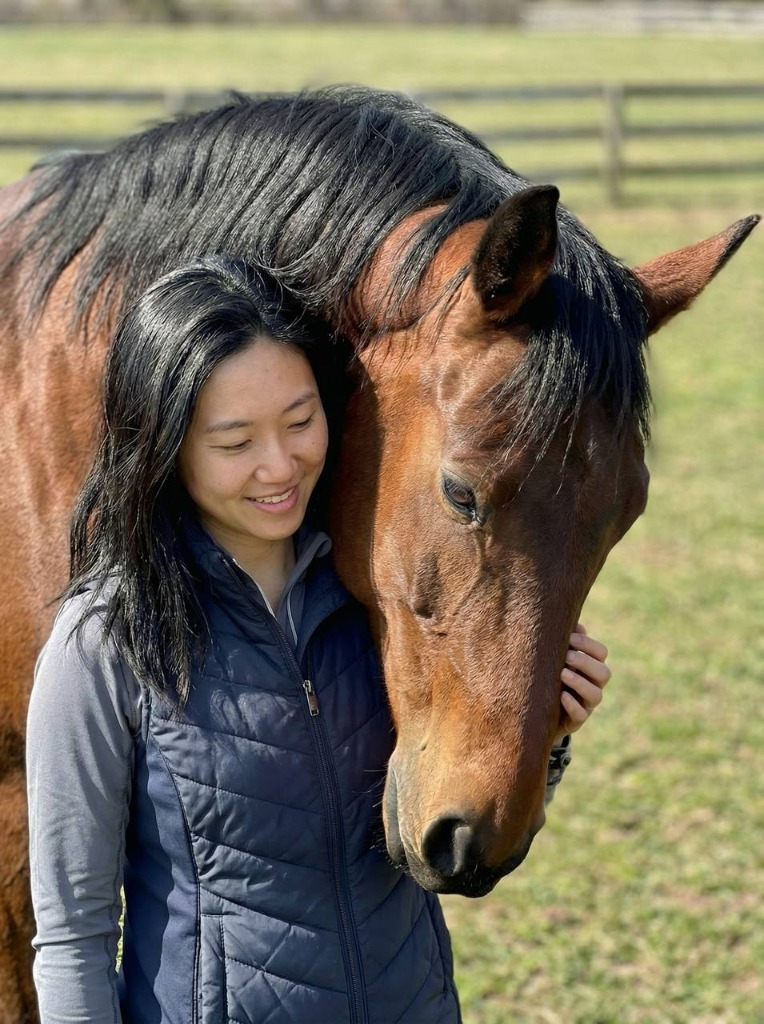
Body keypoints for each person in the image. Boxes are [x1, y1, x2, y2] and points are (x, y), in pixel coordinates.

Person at [26, 255, 612, 1024]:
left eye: (301, 421)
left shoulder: (380, 595)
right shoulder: (104, 641)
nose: (281, 466)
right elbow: (73, 934)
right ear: (163, 446)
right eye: (235, 442)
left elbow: (449, 843)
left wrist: (544, 734)